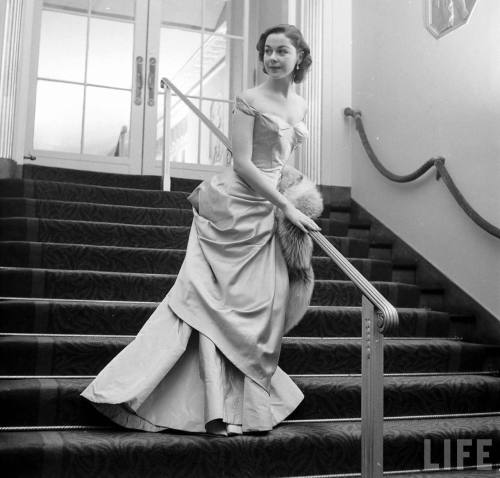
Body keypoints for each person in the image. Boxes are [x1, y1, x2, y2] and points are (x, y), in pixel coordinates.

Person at [81, 24, 319, 437]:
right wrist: (286, 206)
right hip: (232, 208)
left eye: (282, 51)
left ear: (300, 57)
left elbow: (279, 162)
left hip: (266, 213)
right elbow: (244, 162)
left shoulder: (300, 106)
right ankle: (202, 408)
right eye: (267, 51)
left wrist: (288, 198)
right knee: (209, 306)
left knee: (258, 310)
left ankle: (243, 407)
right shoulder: (249, 100)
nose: (273, 58)